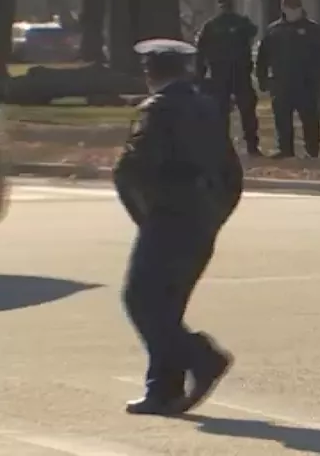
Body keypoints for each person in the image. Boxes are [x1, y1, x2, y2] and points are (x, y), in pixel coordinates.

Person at [113, 38, 242, 415]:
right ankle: (163, 389)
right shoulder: (206, 108)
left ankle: (203, 358)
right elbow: (231, 174)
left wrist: (147, 214)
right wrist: (213, 214)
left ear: (151, 73)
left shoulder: (158, 110)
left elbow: (134, 170)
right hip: (199, 221)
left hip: (168, 219)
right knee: (165, 307)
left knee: (141, 300)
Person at [256, 0, 320, 158]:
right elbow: (263, 57)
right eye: (289, 8)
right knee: (282, 118)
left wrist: (317, 75)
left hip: (306, 83)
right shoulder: (274, 30)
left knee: (309, 117)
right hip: (281, 82)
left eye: (295, 8)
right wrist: (262, 78)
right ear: (283, 9)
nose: (293, 12)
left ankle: (312, 149)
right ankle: (285, 149)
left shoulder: (313, 30)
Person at [194, 0, 261, 156]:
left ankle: (225, 145)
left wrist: (200, 74)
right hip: (236, 73)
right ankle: (249, 145)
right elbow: (253, 32)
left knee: (225, 111)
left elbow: (200, 51)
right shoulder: (240, 23)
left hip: (224, 73)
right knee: (244, 111)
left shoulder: (211, 25)